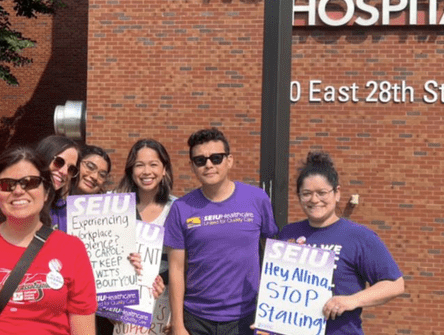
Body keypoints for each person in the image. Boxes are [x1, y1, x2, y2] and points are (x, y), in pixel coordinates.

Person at [0, 145, 97, 335]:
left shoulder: (71, 249)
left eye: (29, 182)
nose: (18, 191)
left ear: (46, 192)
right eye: (7, 185)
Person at [275, 152, 404, 335]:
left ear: (337, 194)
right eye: (306, 194)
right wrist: (268, 323)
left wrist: (352, 300)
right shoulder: (288, 234)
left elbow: (395, 284)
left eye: (322, 193)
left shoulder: (359, 236)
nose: (314, 199)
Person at [163, 128, 277, 335]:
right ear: (192, 166)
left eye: (216, 158)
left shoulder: (257, 199)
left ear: (229, 160)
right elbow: (176, 270)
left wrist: (270, 317)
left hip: (246, 317)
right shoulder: (181, 208)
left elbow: (273, 256)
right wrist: (178, 325)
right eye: (200, 160)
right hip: (196, 318)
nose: (208, 165)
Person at [110, 138, 177, 335]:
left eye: (153, 164)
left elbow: (184, 266)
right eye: (139, 165)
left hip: (164, 307)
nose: (147, 171)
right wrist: (109, 309)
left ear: (164, 169)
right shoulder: (114, 206)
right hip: (123, 308)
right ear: (131, 170)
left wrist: (177, 316)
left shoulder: (177, 209)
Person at [0, 134, 80, 230]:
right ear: (43, 158)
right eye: (59, 162)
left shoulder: (64, 213)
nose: (64, 172)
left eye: (71, 169)